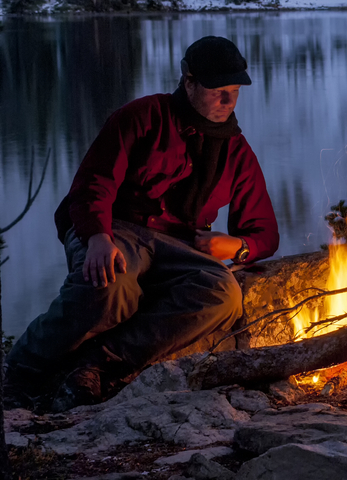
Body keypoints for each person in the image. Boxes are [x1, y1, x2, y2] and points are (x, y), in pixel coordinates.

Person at [4, 36, 279, 412]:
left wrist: (238, 247)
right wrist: (97, 237)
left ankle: (99, 365)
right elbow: (93, 184)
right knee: (111, 285)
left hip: (179, 244)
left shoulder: (236, 150)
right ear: (189, 82)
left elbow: (264, 232)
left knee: (223, 293)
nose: (228, 102)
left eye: (234, 91)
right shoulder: (142, 117)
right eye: (218, 91)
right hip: (115, 225)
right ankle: (22, 366)